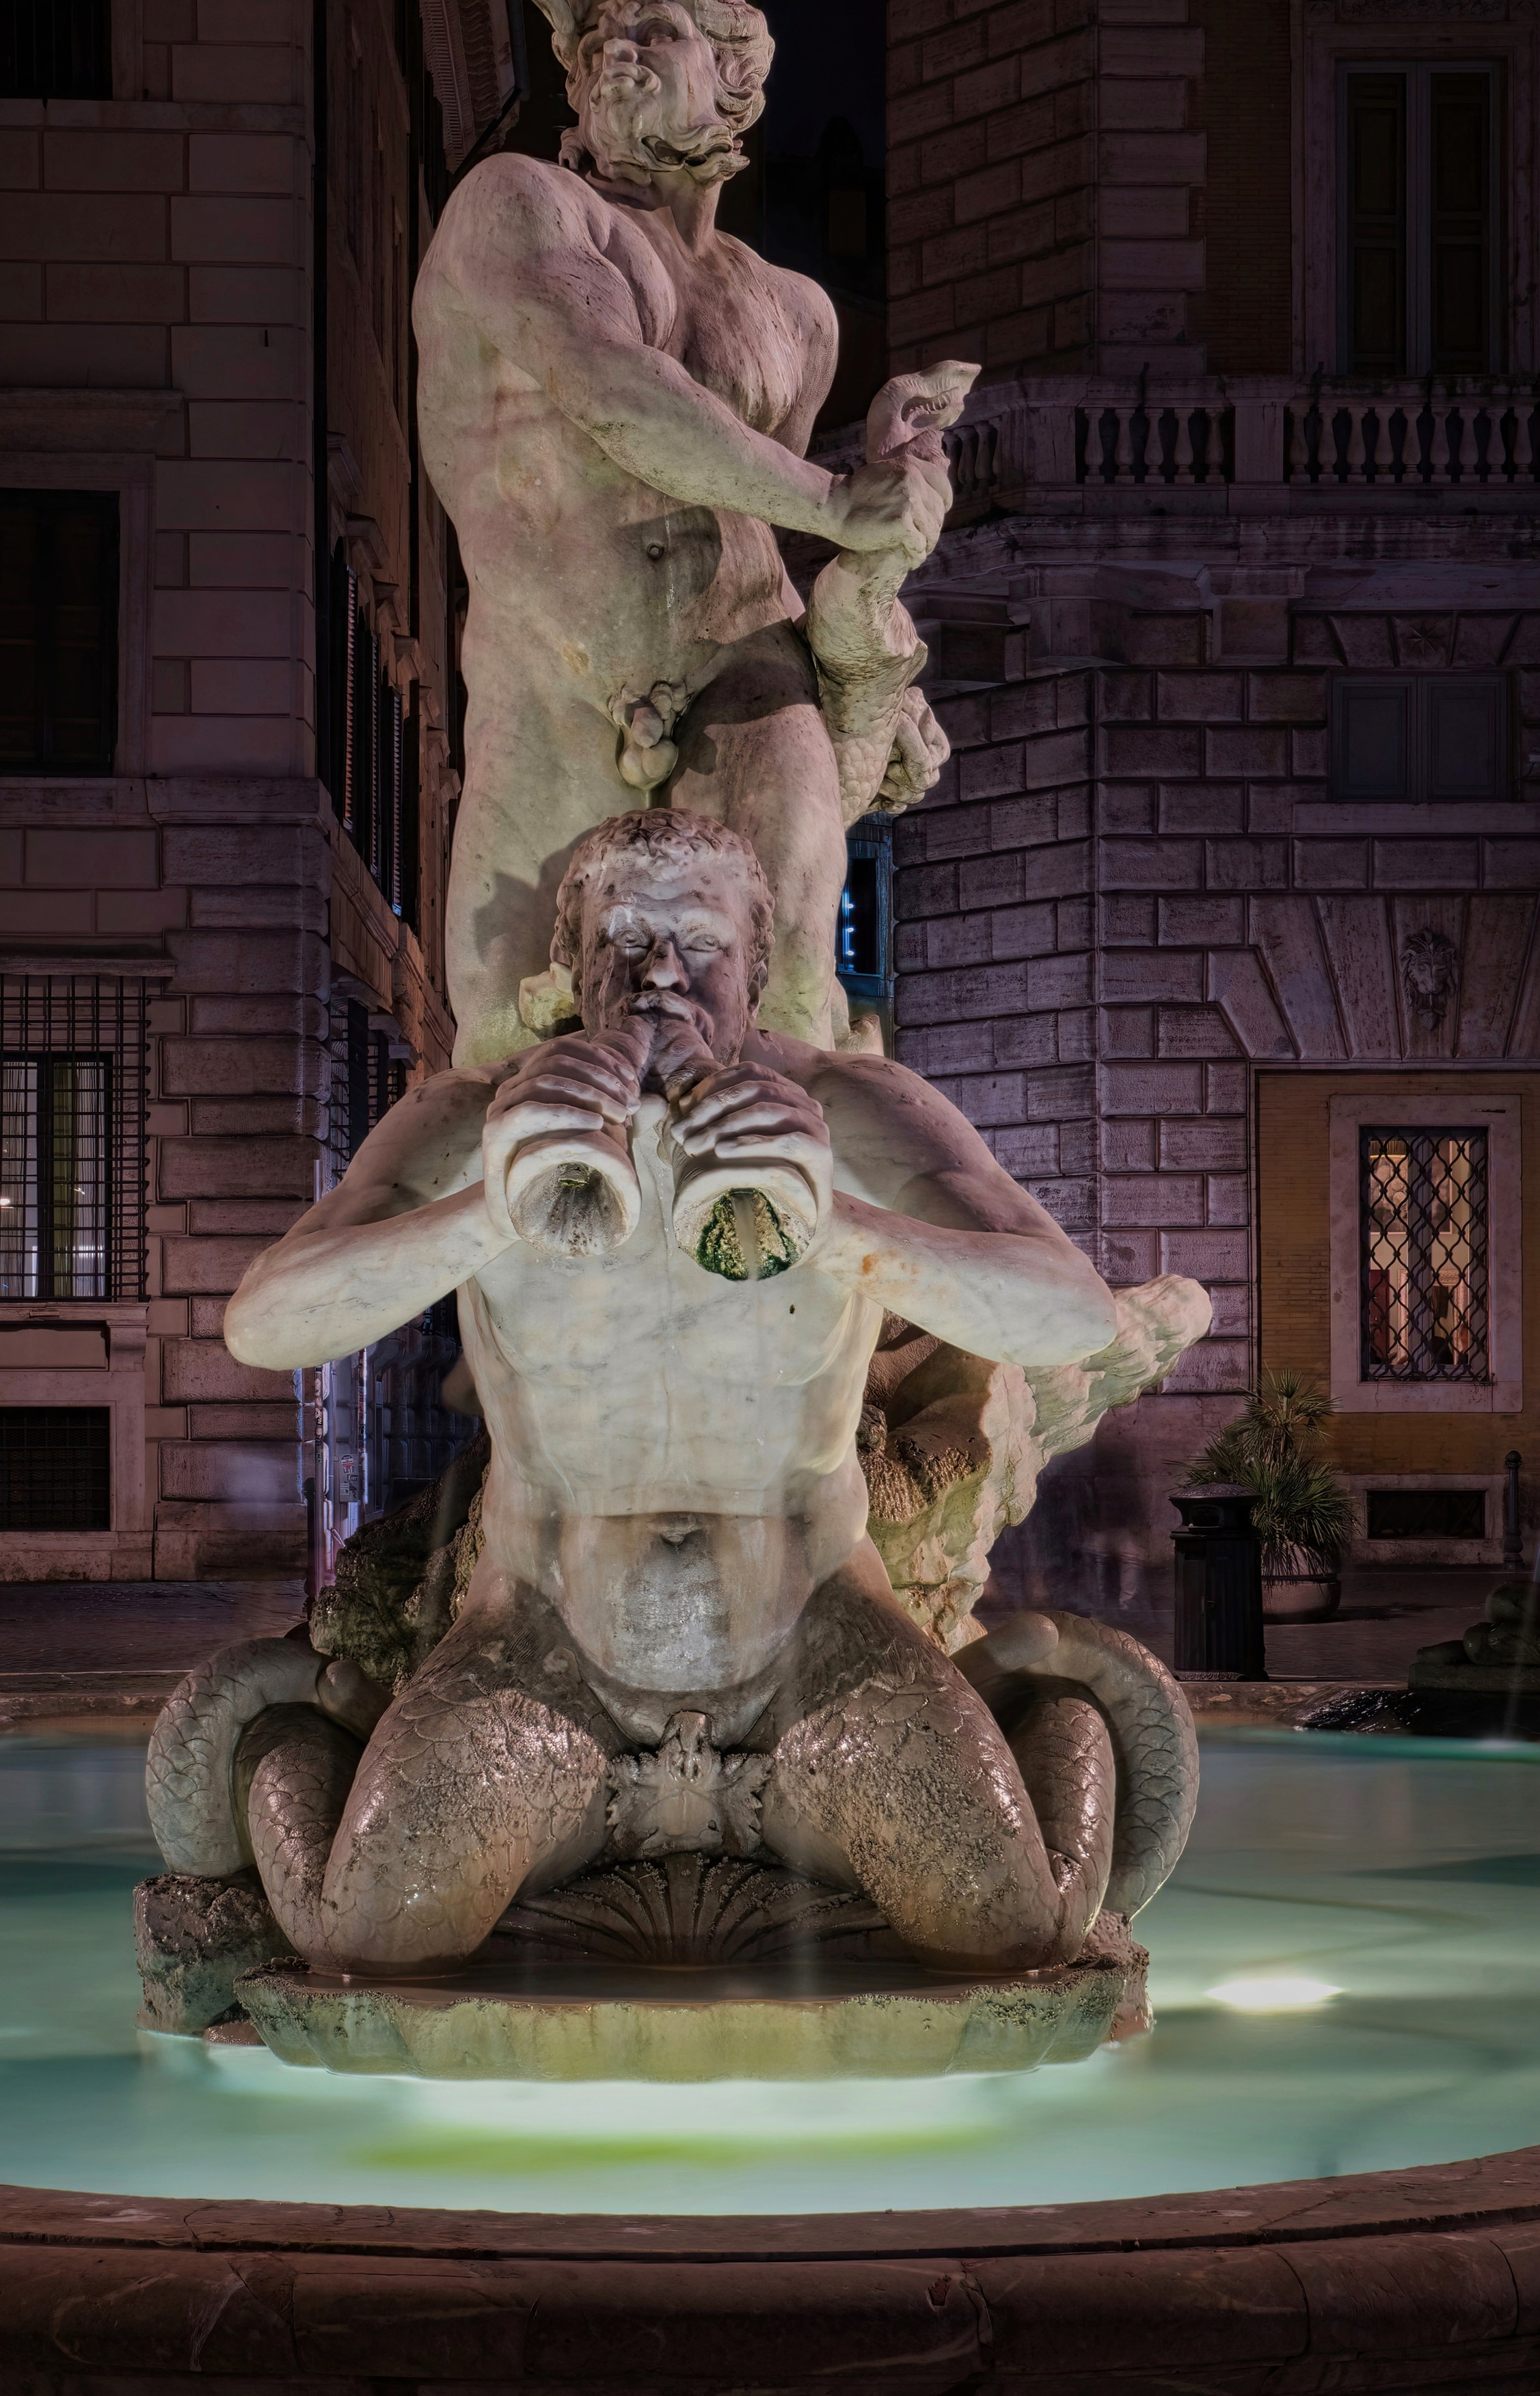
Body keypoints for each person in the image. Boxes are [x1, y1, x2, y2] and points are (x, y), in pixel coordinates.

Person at [206, 813, 1176, 1980]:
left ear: (756, 965)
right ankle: (311, 1732)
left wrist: (841, 1225)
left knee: (1008, 1919)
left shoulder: (854, 1109)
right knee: (368, 1932)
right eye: (623, 934)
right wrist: (488, 1211)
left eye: (699, 939)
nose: (660, 968)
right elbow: (264, 1324)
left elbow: (1071, 1312)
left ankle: (1040, 1713)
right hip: (546, 1643)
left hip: (810, 1639)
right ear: (570, 960)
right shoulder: (475, 1117)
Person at [414, 0, 961, 1064]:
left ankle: (791, 1221)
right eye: (594, 45)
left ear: (735, 80)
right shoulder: (516, 207)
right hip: (551, 688)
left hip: (745, 677)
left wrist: (880, 568)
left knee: (792, 1014)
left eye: (653, 32)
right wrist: (837, 500)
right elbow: (615, 392)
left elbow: (755, 514)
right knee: (500, 1058)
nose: (617, 54)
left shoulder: (800, 315)